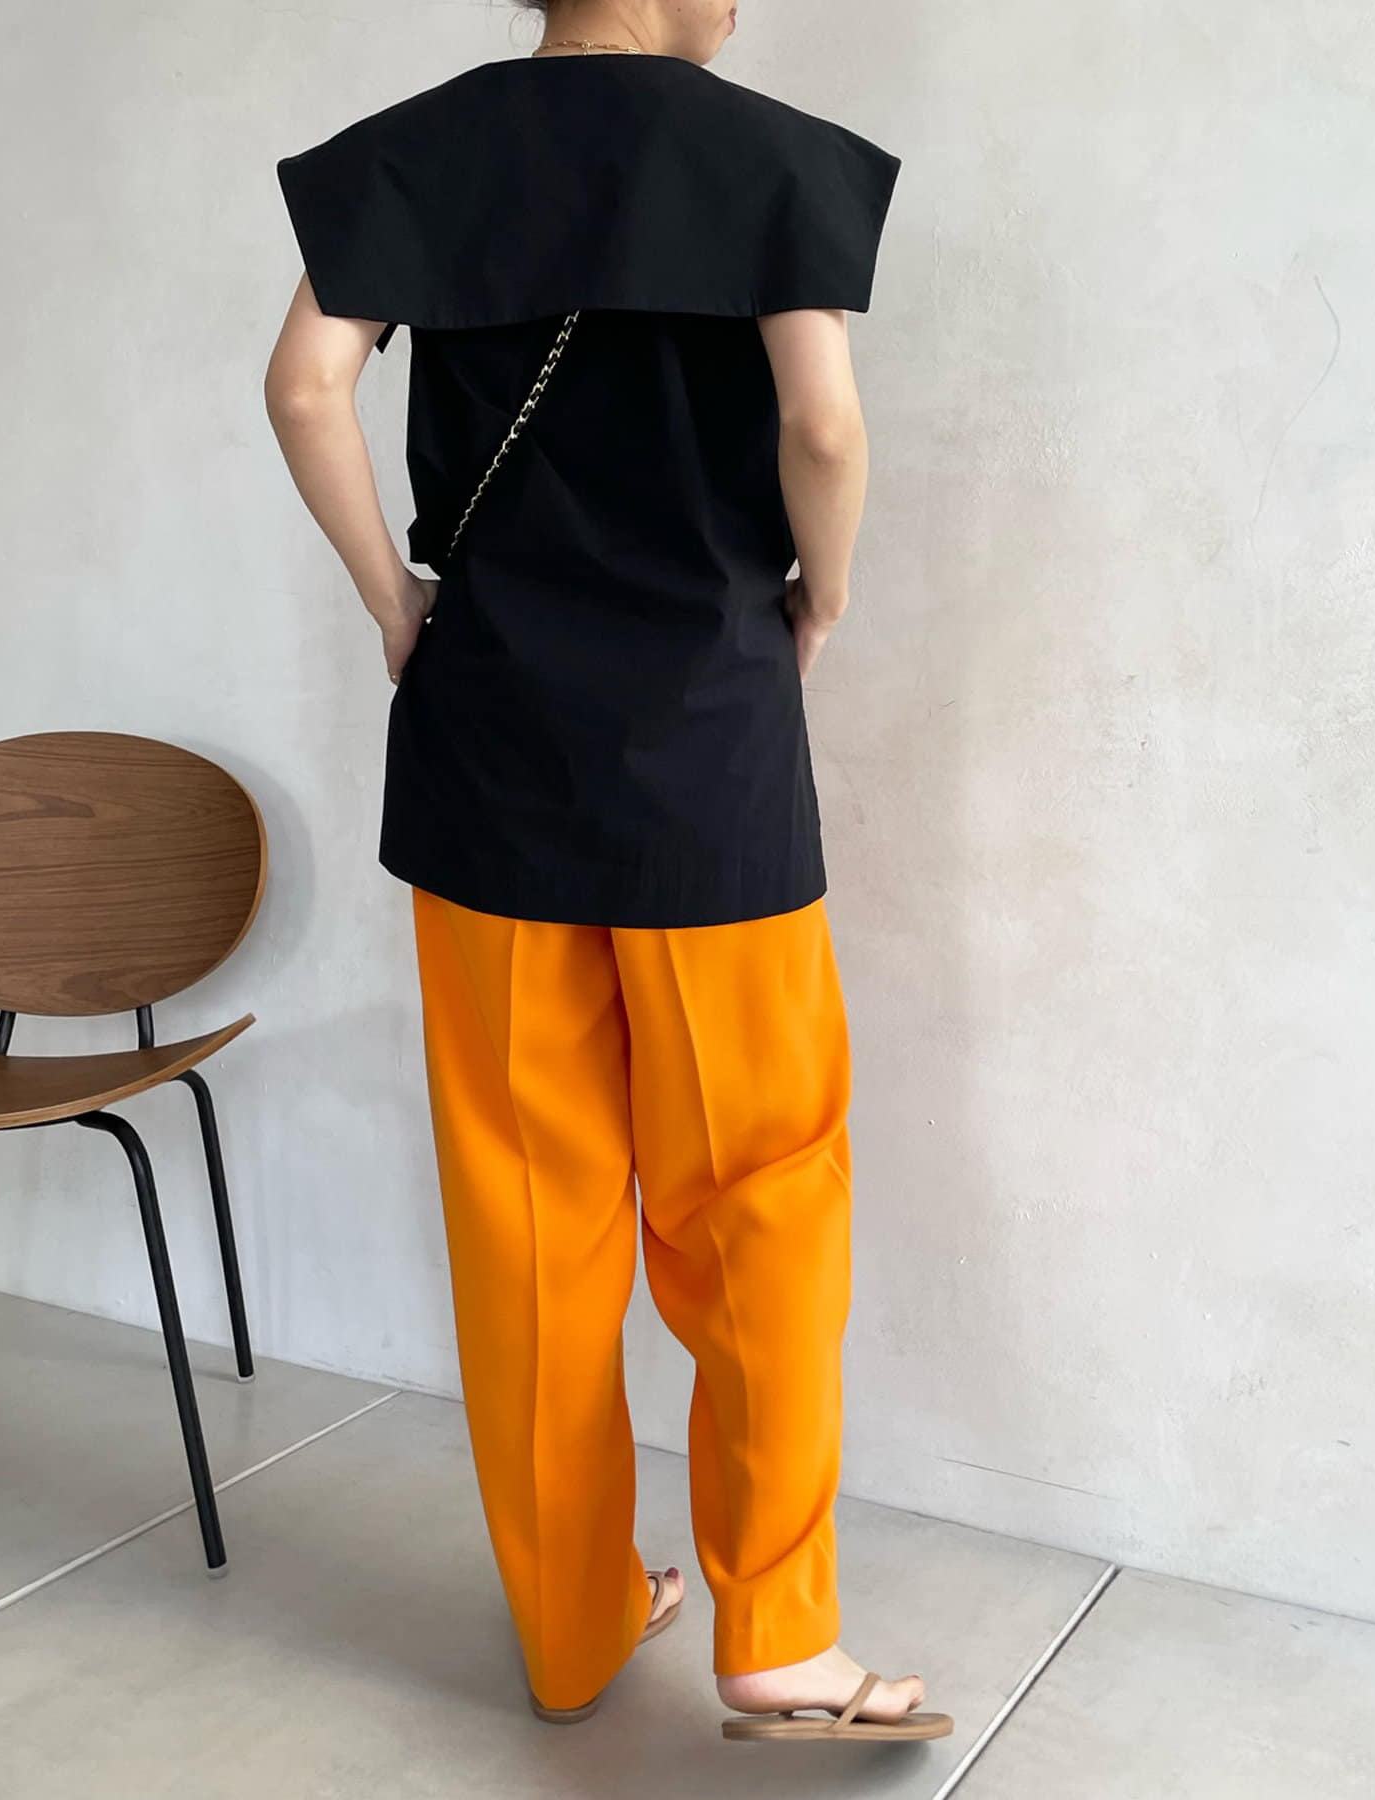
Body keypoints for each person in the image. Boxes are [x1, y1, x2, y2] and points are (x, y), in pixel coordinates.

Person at [265, 0, 953, 1747]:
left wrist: (398, 604)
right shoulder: (767, 158)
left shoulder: (416, 149)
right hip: (706, 745)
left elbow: (304, 387)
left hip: (487, 745)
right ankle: (775, 1637)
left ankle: (571, 1624)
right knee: (762, 1194)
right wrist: (828, 599)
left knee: (525, 1214)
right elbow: (822, 431)